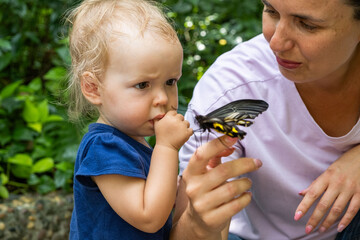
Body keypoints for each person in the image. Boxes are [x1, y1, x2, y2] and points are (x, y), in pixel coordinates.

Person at [171, 0, 360, 239]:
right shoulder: (232, 91)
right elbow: (186, 228)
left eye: (307, 25)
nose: (277, 42)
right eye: (271, 11)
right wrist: (199, 224)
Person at [65, 0, 193, 239]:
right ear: (93, 88)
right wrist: (167, 147)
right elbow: (149, 217)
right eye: (142, 85)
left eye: (170, 82)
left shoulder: (132, 141)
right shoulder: (104, 146)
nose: (162, 98)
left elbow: (157, 198)